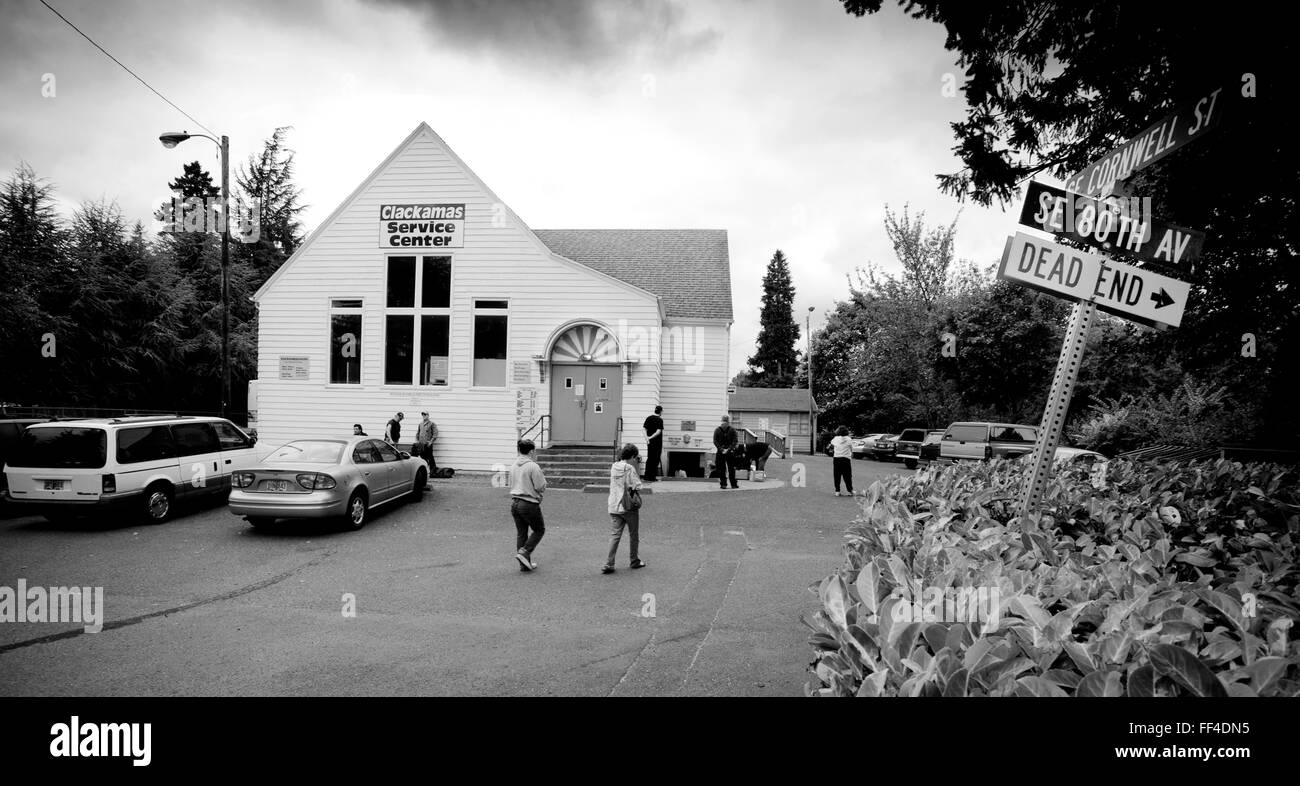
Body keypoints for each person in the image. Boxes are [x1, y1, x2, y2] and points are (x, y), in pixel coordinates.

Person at [603, 444, 648, 574]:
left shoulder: (614, 466)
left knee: (615, 535)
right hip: (628, 505)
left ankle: (609, 563)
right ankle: (634, 560)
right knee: (633, 534)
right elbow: (637, 486)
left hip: (613, 505)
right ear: (633, 456)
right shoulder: (629, 468)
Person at [509, 439, 547, 572]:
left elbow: (510, 484)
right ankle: (525, 552)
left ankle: (524, 564)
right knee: (539, 530)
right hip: (528, 503)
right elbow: (540, 486)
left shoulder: (513, 465)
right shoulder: (533, 466)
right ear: (531, 451)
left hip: (515, 502)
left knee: (521, 533)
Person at [712, 415, 739, 489]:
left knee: (721, 469)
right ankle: (733, 484)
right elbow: (735, 441)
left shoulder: (717, 430)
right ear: (728, 421)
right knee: (731, 469)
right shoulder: (732, 430)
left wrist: (721, 449)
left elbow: (715, 441)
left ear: (722, 420)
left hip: (720, 452)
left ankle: (723, 484)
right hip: (730, 452)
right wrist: (729, 449)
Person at [830, 425, 855, 496]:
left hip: (837, 458)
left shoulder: (835, 438)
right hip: (845, 459)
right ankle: (850, 491)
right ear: (846, 431)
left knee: (837, 475)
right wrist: (852, 453)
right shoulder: (849, 439)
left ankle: (837, 491)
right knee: (847, 475)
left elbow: (831, 445)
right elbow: (851, 448)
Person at [414, 411, 439, 480]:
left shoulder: (432, 424)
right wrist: (417, 441)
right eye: (423, 415)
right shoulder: (420, 424)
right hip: (421, 445)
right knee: (423, 458)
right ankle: (425, 471)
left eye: (425, 414)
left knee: (430, 458)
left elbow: (435, 434)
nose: (424, 416)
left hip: (428, 444)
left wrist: (431, 441)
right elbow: (418, 433)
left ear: (428, 415)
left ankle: (433, 472)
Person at [642, 405, 664, 482]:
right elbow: (658, 432)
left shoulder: (649, 418)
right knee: (655, 459)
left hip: (649, 443)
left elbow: (644, 429)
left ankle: (646, 476)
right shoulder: (660, 420)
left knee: (649, 458)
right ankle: (652, 477)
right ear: (660, 411)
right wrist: (650, 437)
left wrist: (647, 439)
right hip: (657, 443)